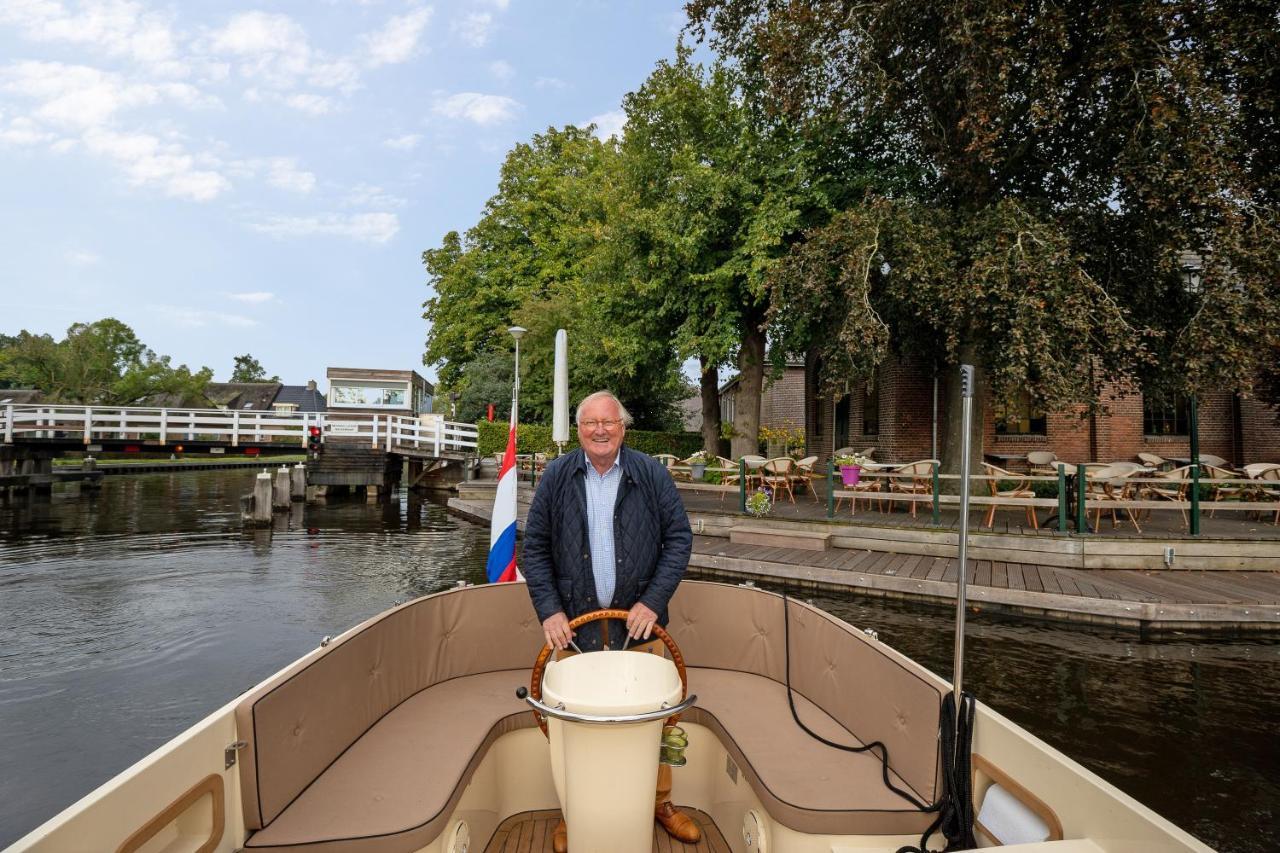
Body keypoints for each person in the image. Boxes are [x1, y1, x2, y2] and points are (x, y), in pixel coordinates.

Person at [522, 390, 699, 852]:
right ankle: (572, 810)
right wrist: (550, 611)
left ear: (623, 426)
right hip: (574, 634)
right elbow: (535, 549)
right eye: (589, 423)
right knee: (570, 729)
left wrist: (652, 601)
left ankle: (660, 804)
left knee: (657, 722)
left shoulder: (651, 474)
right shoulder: (557, 476)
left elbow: (679, 540)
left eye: (609, 422)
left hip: (641, 629)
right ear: (578, 430)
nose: (600, 430)